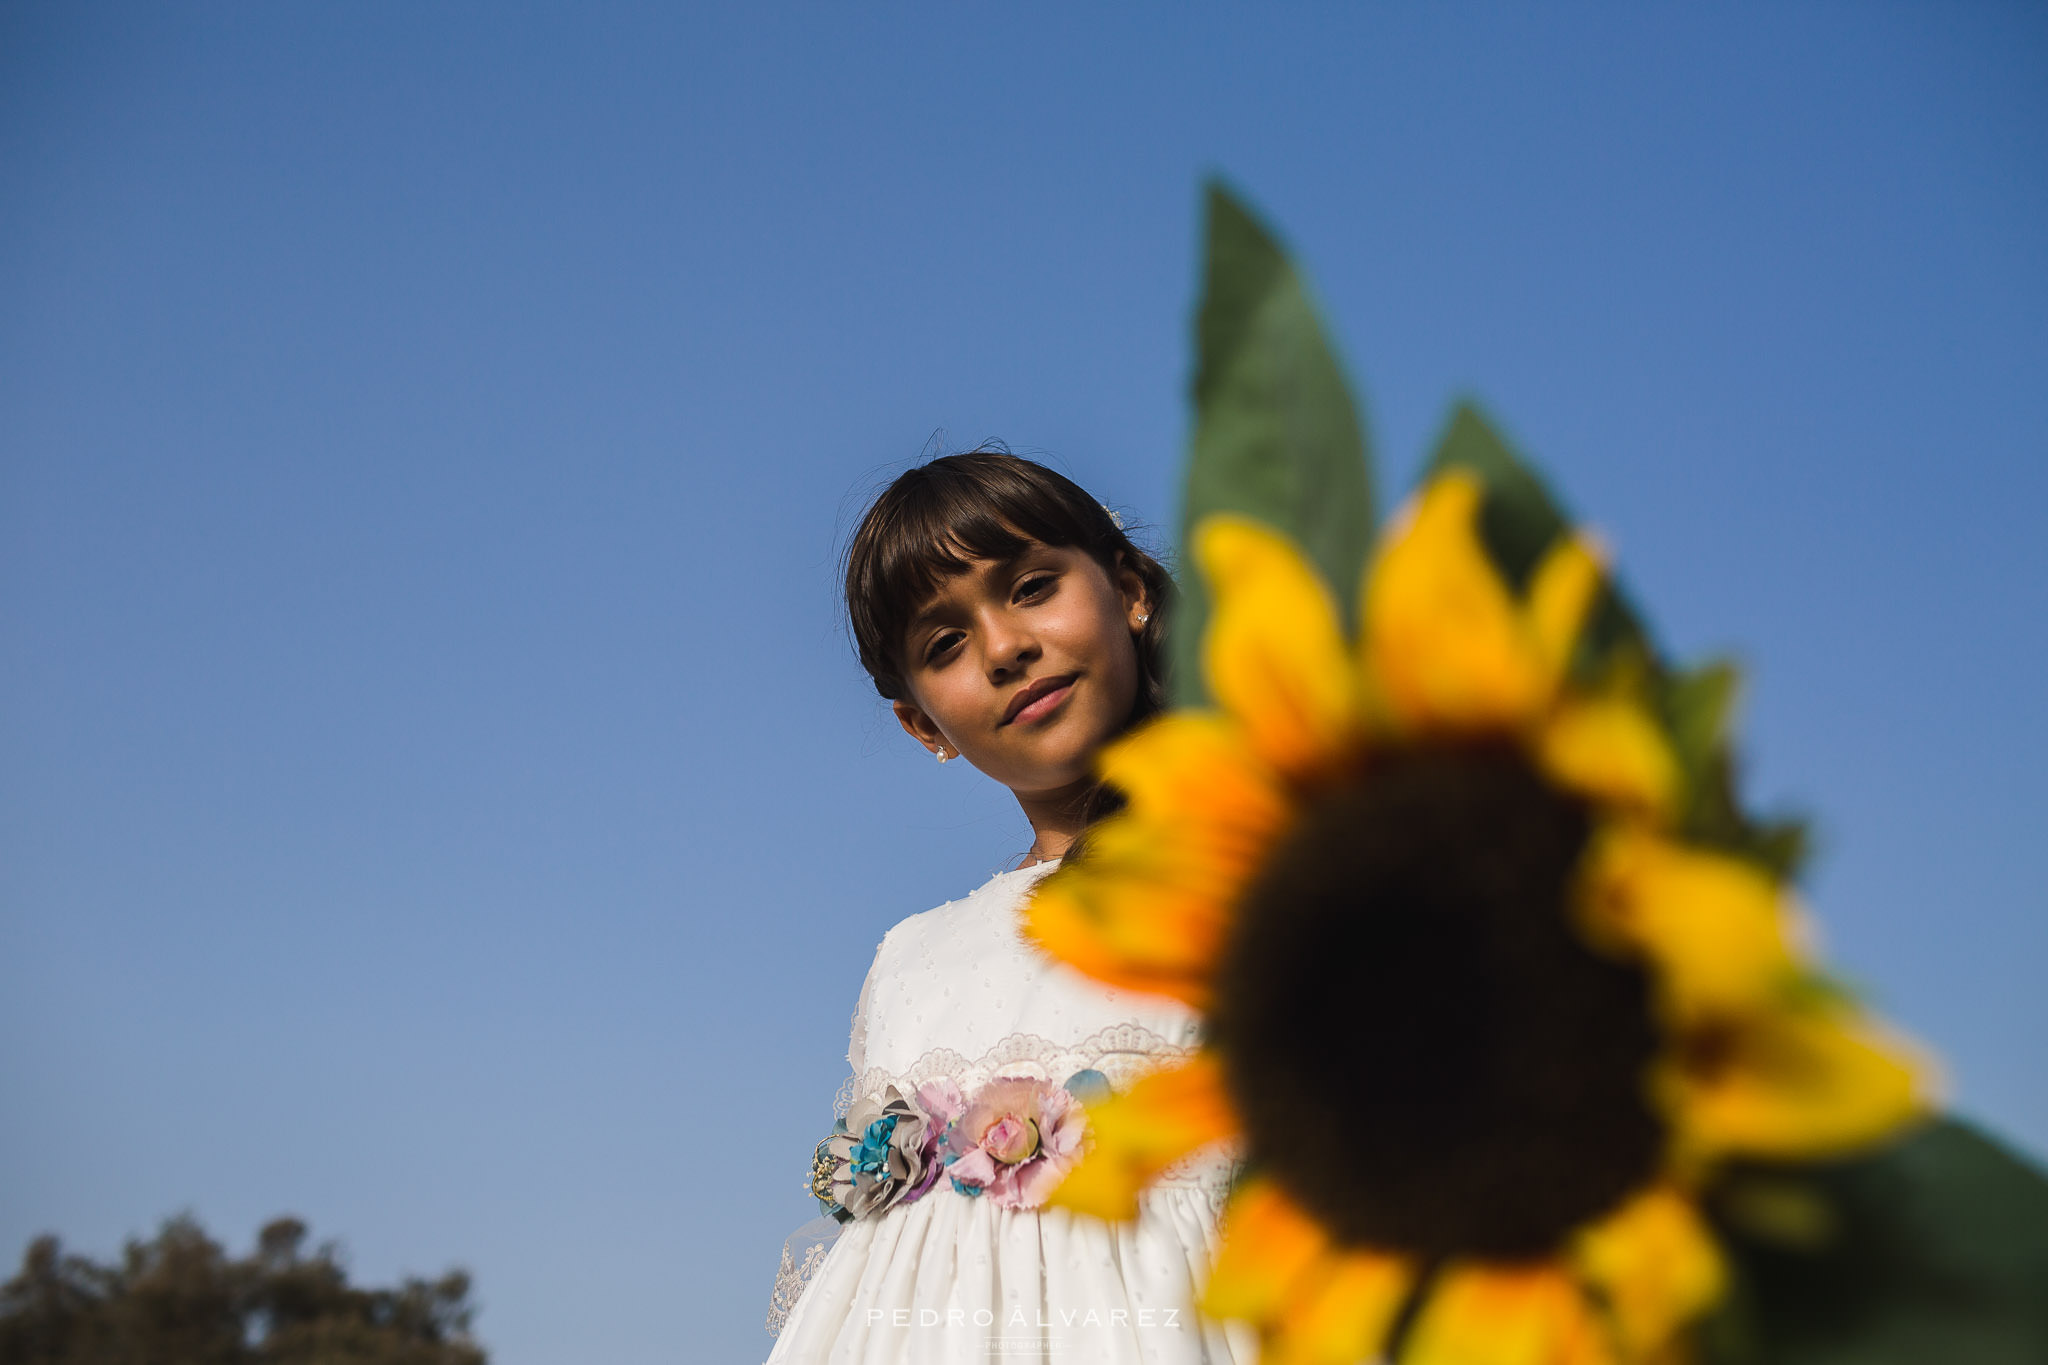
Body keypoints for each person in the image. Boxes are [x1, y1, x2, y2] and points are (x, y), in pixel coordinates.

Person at [763, 451, 1250, 1364]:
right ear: (921, 724)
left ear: (1130, 590)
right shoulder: (910, 957)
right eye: (945, 644)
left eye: (1031, 587)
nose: (1003, 648)